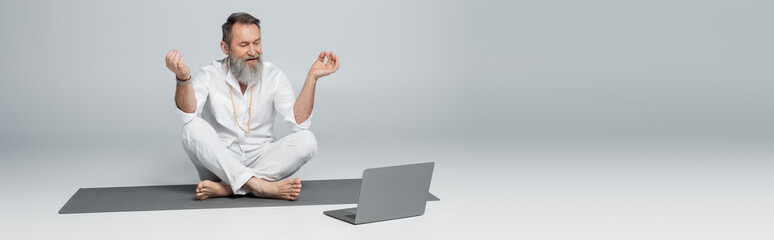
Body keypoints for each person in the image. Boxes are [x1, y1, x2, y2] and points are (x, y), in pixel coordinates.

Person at [164, 12, 339, 200]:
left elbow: (299, 124)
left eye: (257, 42)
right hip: (219, 163)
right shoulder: (209, 74)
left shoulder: (274, 75)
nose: (253, 51)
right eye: (244, 45)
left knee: (307, 140)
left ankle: (229, 188)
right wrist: (183, 78)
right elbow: (188, 114)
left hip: (261, 158)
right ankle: (259, 186)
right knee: (191, 128)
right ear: (225, 47)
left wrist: (312, 78)